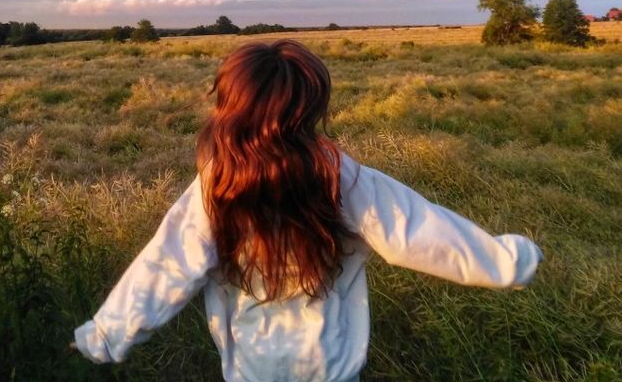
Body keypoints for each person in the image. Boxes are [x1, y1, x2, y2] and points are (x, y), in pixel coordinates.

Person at [73, 40, 543, 382]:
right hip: (332, 366)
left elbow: (168, 266)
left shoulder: (217, 185)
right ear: (308, 106)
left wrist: (105, 335)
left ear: (231, 107)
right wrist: (511, 261)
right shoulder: (341, 177)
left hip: (249, 368)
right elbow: (419, 232)